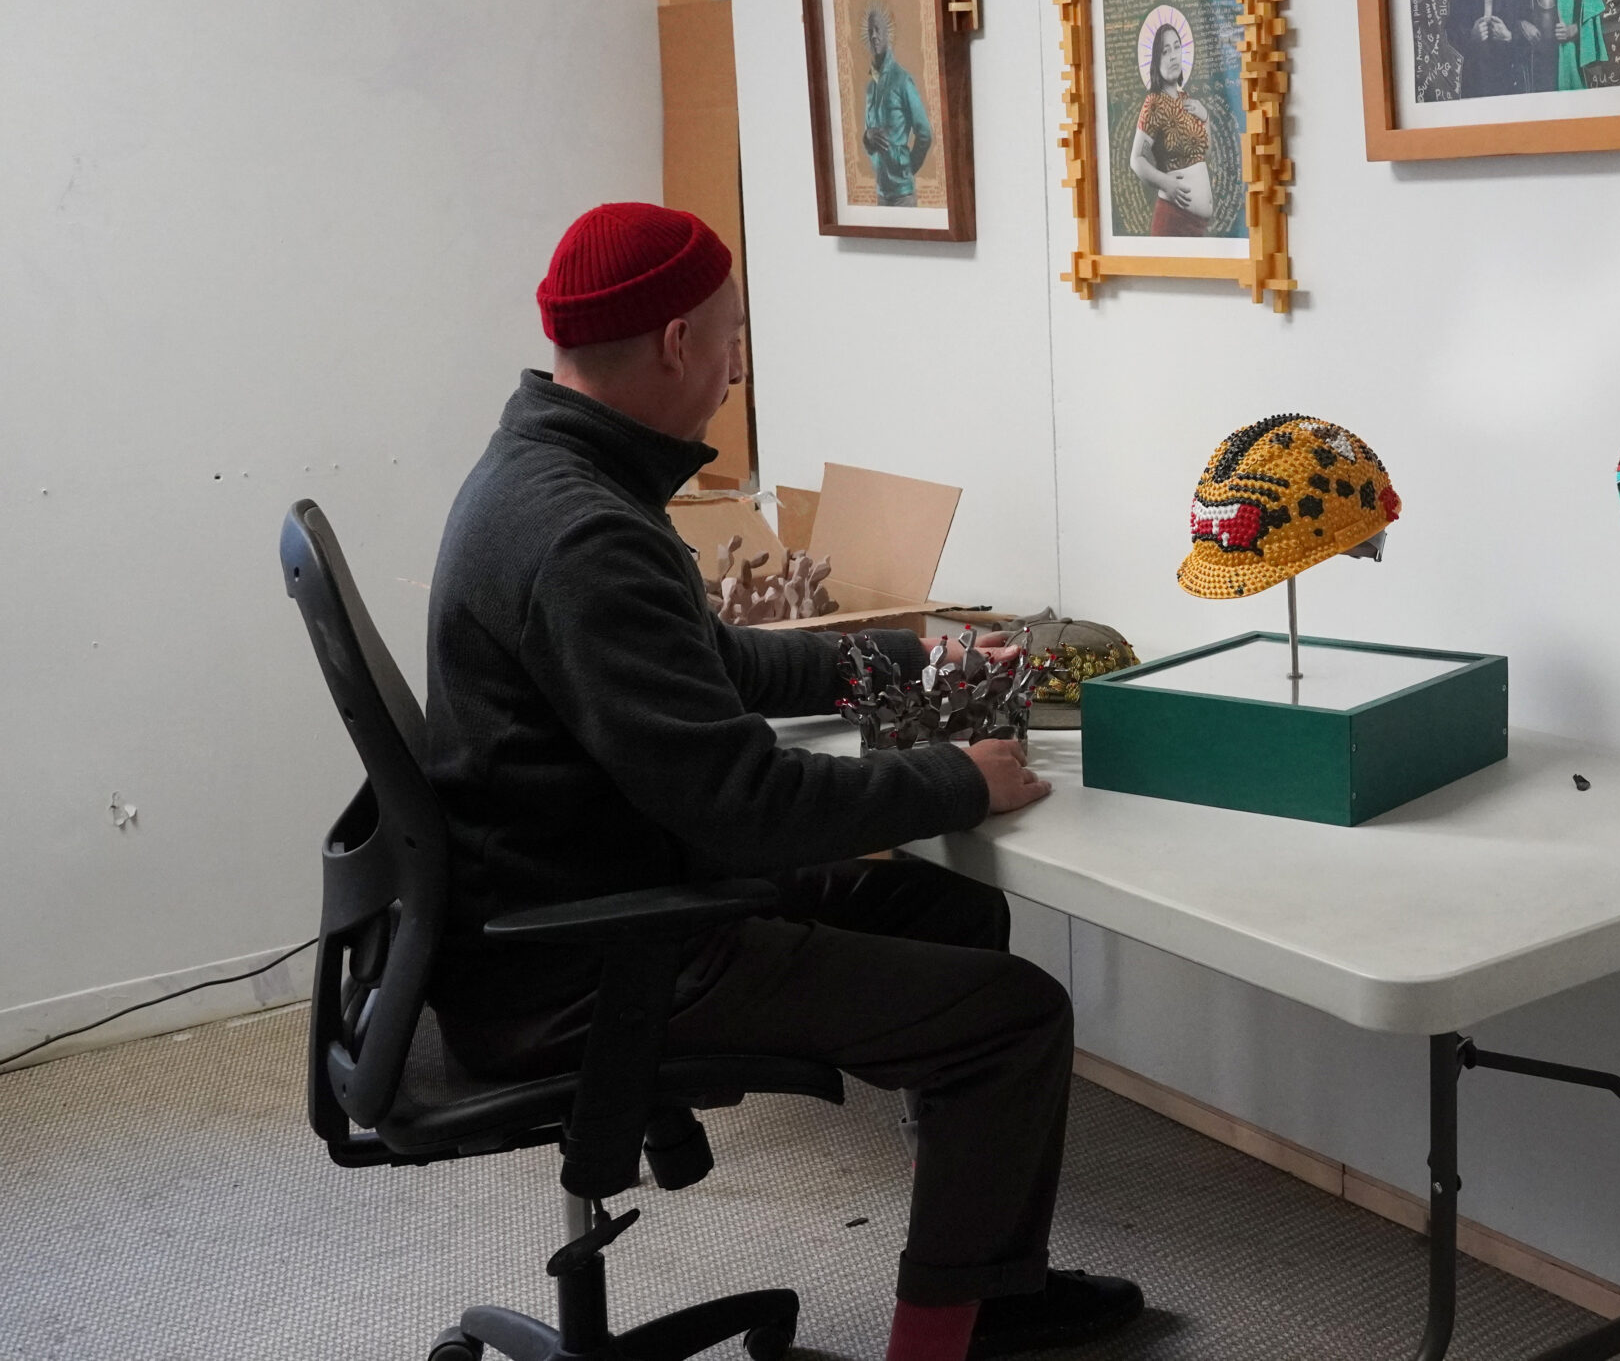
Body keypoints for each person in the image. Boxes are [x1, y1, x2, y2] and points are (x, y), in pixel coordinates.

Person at [422, 202, 1140, 1361]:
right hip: (596, 957)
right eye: (731, 339)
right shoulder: (584, 535)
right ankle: (937, 1347)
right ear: (676, 344)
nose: (734, 370)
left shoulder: (545, 472)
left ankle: (988, 1291)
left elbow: (722, 664)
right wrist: (958, 778)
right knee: (1012, 1020)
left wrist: (925, 663)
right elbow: (747, 808)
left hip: (578, 898)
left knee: (949, 914)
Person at [1126, 16, 1216, 234]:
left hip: (1199, 226)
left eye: (1177, 47)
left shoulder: (1187, 100)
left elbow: (1206, 154)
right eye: (1165, 51)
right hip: (1173, 219)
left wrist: (1206, 118)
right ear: (1156, 61)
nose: (1173, 55)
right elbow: (1136, 159)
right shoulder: (1154, 102)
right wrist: (1166, 183)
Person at [860, 0, 932, 206]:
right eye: (870, 31)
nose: (874, 36)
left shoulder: (902, 80)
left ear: (887, 33)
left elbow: (925, 133)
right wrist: (867, 136)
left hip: (903, 196)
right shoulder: (871, 87)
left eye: (878, 30)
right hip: (881, 194)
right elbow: (868, 133)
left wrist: (907, 168)